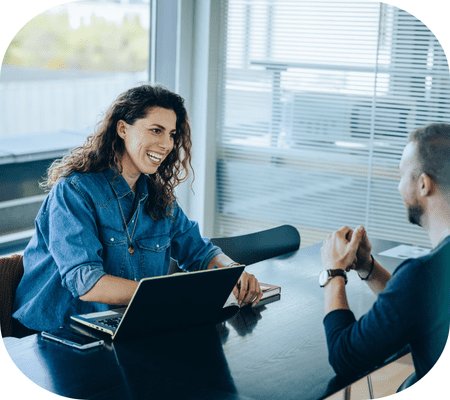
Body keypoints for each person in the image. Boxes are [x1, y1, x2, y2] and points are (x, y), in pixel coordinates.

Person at [13, 84, 262, 334]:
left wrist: (232, 272)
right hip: (53, 333)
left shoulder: (159, 198)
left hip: (126, 324)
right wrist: (166, 296)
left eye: (172, 135)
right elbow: (86, 282)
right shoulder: (74, 191)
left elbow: (200, 251)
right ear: (122, 129)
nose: (166, 145)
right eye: (156, 130)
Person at [319, 123, 450, 387]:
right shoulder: (431, 276)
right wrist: (368, 267)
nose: (398, 186)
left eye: (402, 175)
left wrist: (333, 273)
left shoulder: (424, 273)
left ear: (424, 184)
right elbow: (417, 306)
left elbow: (345, 357)